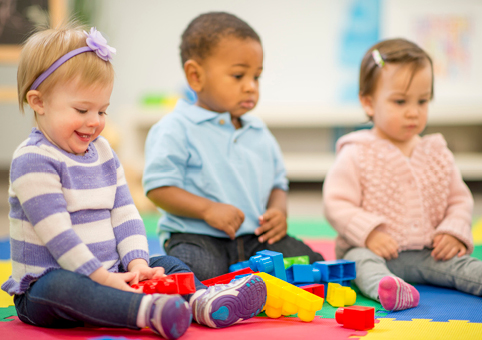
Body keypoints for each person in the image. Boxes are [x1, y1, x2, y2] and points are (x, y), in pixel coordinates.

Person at [1, 22, 267, 340]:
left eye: (103, 111)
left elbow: (124, 211)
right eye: (82, 109)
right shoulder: (33, 160)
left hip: (112, 272)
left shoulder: (102, 151)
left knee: (166, 263)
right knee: (63, 286)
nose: (94, 123)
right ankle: (147, 312)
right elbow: (58, 236)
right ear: (39, 102)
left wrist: (137, 263)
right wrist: (101, 277)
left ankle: (201, 302)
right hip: (47, 286)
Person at [143, 12, 324, 281]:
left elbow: (278, 184)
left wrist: (278, 212)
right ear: (195, 76)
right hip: (198, 237)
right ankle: (151, 270)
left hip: (256, 240)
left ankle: (245, 285)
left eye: (257, 77)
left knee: (313, 264)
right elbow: (158, 188)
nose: (250, 87)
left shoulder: (259, 131)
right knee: (194, 272)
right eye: (239, 75)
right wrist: (207, 209)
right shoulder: (175, 128)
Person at [323, 38, 482, 312]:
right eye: (400, 101)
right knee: (360, 264)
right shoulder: (356, 153)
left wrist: (453, 232)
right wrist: (369, 233)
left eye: (422, 101)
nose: (413, 112)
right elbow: (335, 203)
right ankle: (389, 288)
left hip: (428, 252)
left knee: (463, 265)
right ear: (368, 102)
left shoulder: (437, 152)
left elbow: (460, 201)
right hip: (371, 250)